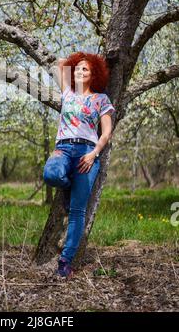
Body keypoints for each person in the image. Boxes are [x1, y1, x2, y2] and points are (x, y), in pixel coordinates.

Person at [43, 51, 115, 279]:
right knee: (51, 175)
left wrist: (94, 154)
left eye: (86, 69)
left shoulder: (101, 99)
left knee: (77, 212)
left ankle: (65, 262)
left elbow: (107, 133)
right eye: (78, 69)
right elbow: (62, 63)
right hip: (63, 149)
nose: (80, 72)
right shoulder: (68, 93)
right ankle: (66, 186)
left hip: (87, 153)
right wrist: (78, 59)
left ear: (94, 74)